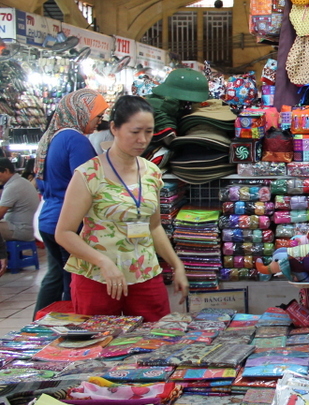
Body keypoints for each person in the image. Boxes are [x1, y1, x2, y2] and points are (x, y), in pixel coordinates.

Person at [55, 96, 188, 321]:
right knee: (99, 343)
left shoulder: (151, 172)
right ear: (114, 128)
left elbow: (154, 226)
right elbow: (64, 233)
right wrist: (102, 261)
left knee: (153, 341)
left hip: (144, 272)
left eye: (148, 132)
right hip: (98, 278)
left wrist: (177, 265)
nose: (143, 140)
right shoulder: (88, 174)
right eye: (135, 132)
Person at [34, 89, 107, 314]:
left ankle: (37, 327)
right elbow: (89, 182)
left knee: (55, 276)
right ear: (81, 113)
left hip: (49, 219)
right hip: (69, 222)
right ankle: (69, 330)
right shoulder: (75, 140)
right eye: (98, 116)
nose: (99, 122)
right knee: (73, 282)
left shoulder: (53, 137)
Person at [0, 158, 40, 277]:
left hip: (21, 230)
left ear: (6, 171)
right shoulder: (20, 182)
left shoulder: (13, 186)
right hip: (26, 228)